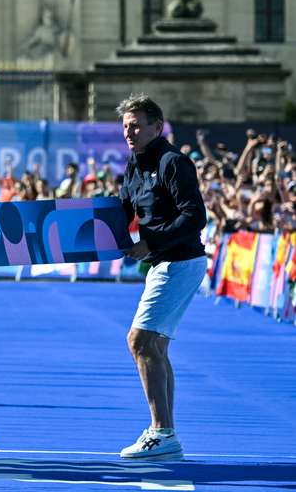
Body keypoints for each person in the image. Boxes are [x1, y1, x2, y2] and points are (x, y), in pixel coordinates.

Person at [116, 94, 207, 461]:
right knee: (155, 347)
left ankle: (161, 432)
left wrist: (150, 241)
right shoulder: (134, 164)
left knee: (139, 342)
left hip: (180, 261)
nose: (129, 132)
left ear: (157, 126)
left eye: (136, 125)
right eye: (125, 126)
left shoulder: (173, 162)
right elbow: (122, 209)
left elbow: (194, 216)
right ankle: (165, 432)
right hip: (164, 262)